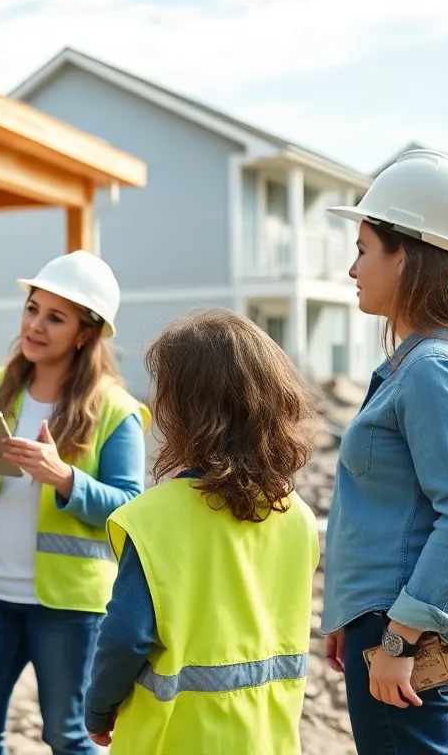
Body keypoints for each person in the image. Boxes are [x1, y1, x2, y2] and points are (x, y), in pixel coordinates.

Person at [322, 149, 448, 754]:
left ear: (404, 255)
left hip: (408, 633)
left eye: (362, 248)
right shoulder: (427, 362)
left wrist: (398, 638)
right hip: (390, 621)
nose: (353, 268)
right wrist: (351, 613)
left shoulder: (435, 370)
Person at [0, 250, 149, 755]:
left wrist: (63, 478)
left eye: (55, 317)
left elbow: (131, 508)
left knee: (69, 737)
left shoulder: (116, 409)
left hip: (70, 607)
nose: (35, 324)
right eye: (33, 308)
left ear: (84, 332)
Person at [84, 308, 322, 754]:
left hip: (173, 740)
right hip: (269, 740)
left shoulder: (153, 518)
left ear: (183, 410)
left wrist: (98, 708)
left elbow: (125, 636)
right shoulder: (299, 517)